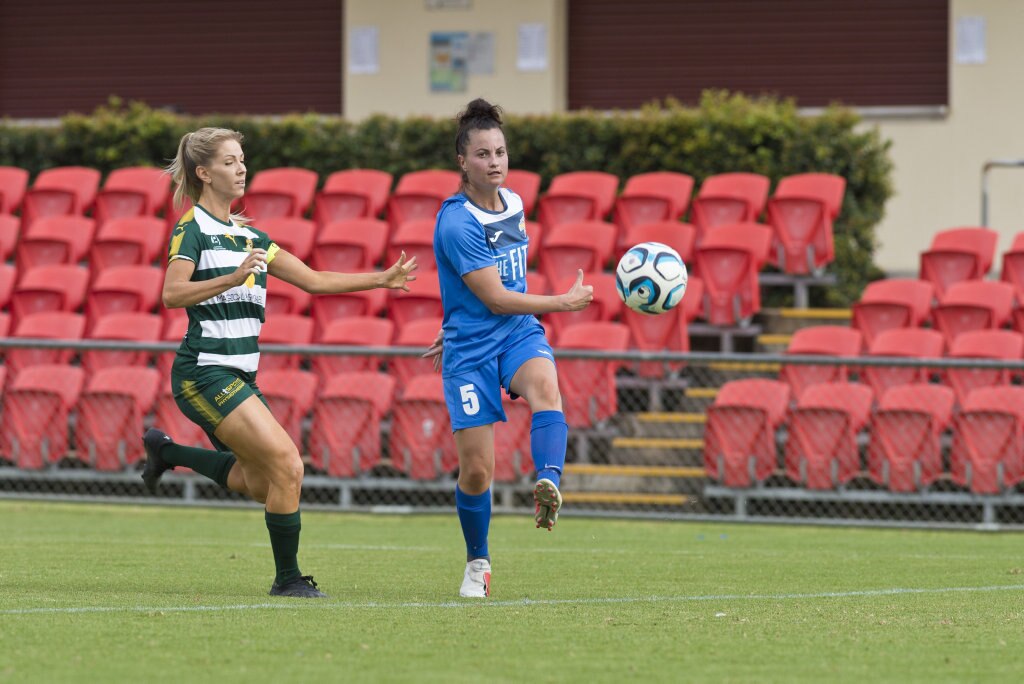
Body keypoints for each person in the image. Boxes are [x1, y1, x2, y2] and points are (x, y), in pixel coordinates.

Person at [141, 127, 417, 598]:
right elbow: (171, 294)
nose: (241, 167)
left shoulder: (252, 237)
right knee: (289, 466)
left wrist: (381, 280)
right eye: (229, 162)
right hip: (204, 373)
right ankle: (287, 579)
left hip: (239, 374)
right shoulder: (192, 228)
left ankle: (166, 452)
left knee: (261, 482)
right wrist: (232, 276)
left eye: (242, 159)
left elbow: (312, 280)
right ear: (204, 173)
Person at [423, 99, 594, 598]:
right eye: (482, 154)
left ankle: (548, 483)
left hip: (516, 331)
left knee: (546, 387)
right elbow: (494, 296)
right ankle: (478, 562)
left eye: (500, 151)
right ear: (462, 162)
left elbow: (501, 287)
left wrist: (458, 312)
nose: (494, 161)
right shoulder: (457, 222)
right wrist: (562, 302)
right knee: (477, 470)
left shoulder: (514, 203)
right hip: (472, 348)